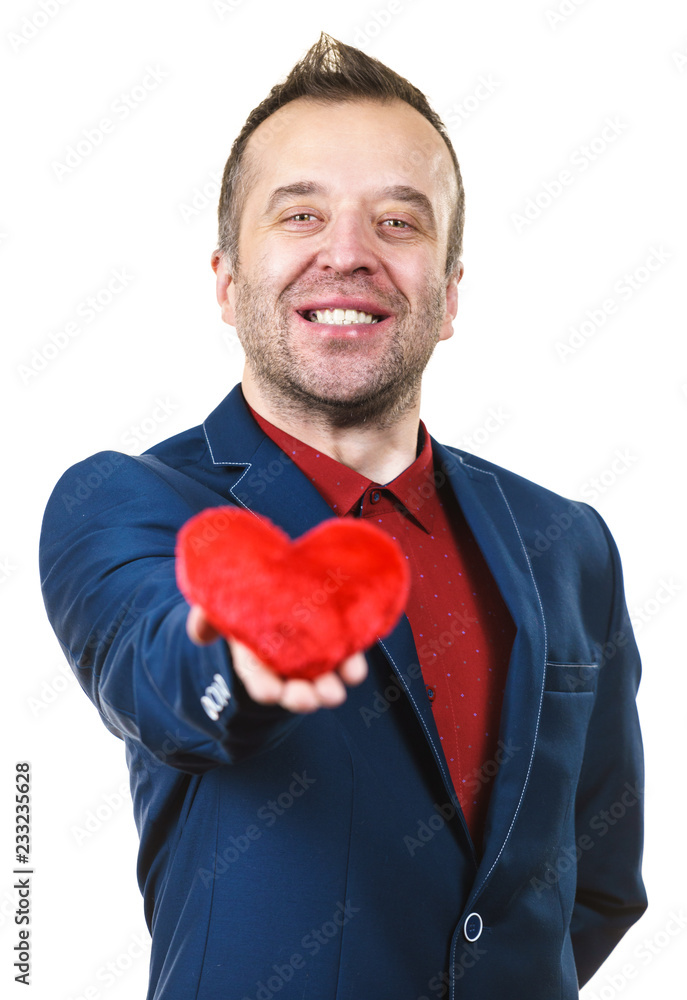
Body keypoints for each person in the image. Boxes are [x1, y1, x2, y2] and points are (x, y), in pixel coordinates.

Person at [39, 33, 647, 1000]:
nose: (349, 253)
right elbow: (158, 677)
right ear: (227, 283)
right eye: (301, 213)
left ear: (448, 295)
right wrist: (247, 658)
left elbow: (600, 877)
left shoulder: (567, 543)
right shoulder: (123, 499)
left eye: (399, 223)